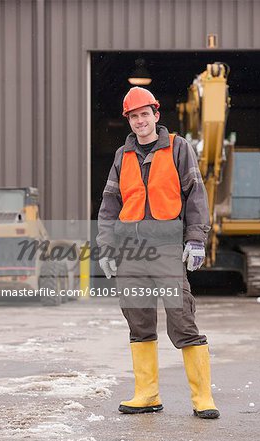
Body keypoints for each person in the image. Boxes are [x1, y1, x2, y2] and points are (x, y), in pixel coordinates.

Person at [96, 86, 220, 419]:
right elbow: (110, 205)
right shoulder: (123, 155)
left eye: (144, 114)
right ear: (129, 120)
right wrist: (106, 247)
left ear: (156, 114)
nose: (139, 121)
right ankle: (147, 394)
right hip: (130, 251)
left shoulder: (179, 148)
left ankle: (202, 397)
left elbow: (195, 196)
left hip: (166, 248)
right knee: (138, 322)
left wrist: (195, 239)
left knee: (182, 320)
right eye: (133, 116)